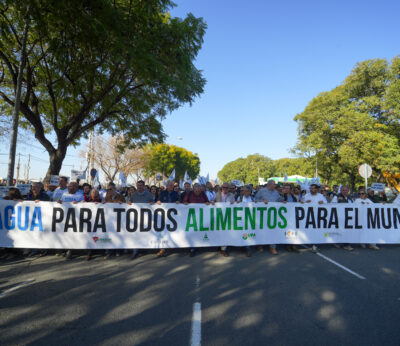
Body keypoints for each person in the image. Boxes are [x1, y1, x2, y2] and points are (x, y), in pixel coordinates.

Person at [128, 180, 154, 259]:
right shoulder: (134, 195)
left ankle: (146, 248)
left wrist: (152, 203)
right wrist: (129, 203)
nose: (139, 187)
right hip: (136, 219)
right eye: (138, 185)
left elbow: (152, 202)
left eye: (140, 185)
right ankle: (135, 251)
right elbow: (130, 202)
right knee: (136, 235)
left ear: (143, 186)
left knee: (146, 234)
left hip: (146, 218)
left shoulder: (149, 194)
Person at [255, 180, 281, 255]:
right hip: (262, 214)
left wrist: (283, 200)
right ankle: (260, 244)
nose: (275, 186)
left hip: (273, 214)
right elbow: (255, 199)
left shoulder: (276, 192)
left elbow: (279, 200)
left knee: (273, 230)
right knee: (261, 230)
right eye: (274, 184)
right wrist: (262, 201)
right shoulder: (261, 191)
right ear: (269, 185)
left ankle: (272, 247)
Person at [183, 183, 209, 256]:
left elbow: (207, 201)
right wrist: (185, 203)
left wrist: (208, 203)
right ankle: (192, 248)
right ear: (193, 189)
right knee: (192, 231)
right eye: (196, 190)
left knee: (200, 231)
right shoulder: (189, 194)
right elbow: (184, 201)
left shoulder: (203, 194)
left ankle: (199, 244)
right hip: (192, 217)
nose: (198, 191)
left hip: (201, 216)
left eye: (199, 190)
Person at [156, 181, 180, 257]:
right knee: (163, 232)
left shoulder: (176, 193)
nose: (171, 186)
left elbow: (180, 200)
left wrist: (178, 201)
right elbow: (157, 200)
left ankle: (170, 247)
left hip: (173, 217)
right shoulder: (162, 193)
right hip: (163, 216)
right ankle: (163, 249)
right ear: (167, 186)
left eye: (172, 185)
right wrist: (158, 201)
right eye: (170, 185)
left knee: (172, 232)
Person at [301, 184, 327, 253]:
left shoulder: (320, 196)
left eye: (313, 188)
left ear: (316, 189)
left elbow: (327, 205)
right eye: (310, 188)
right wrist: (305, 202)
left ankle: (315, 244)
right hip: (308, 217)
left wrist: (323, 203)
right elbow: (300, 204)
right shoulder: (306, 196)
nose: (311, 190)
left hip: (318, 217)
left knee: (316, 230)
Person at [212, 182, 235, 256]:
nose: (225, 189)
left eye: (227, 188)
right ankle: (220, 245)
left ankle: (223, 249)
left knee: (225, 232)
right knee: (219, 231)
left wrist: (234, 203)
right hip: (218, 215)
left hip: (227, 216)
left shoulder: (231, 195)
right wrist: (212, 202)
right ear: (222, 188)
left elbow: (236, 204)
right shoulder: (217, 194)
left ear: (229, 189)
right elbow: (212, 201)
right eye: (224, 187)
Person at [331, 186, 354, 251]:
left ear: (348, 191)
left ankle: (346, 244)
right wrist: (338, 201)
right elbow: (331, 205)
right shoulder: (336, 197)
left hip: (348, 217)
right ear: (341, 191)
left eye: (346, 190)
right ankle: (337, 242)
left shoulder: (351, 197)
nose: (345, 191)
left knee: (347, 231)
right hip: (340, 217)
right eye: (343, 190)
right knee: (339, 230)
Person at [237, 185, 255, 257]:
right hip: (241, 217)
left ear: (249, 192)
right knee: (242, 232)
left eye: (246, 191)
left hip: (250, 218)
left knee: (247, 232)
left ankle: (248, 248)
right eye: (243, 191)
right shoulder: (240, 198)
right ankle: (243, 245)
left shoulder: (253, 198)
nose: (244, 192)